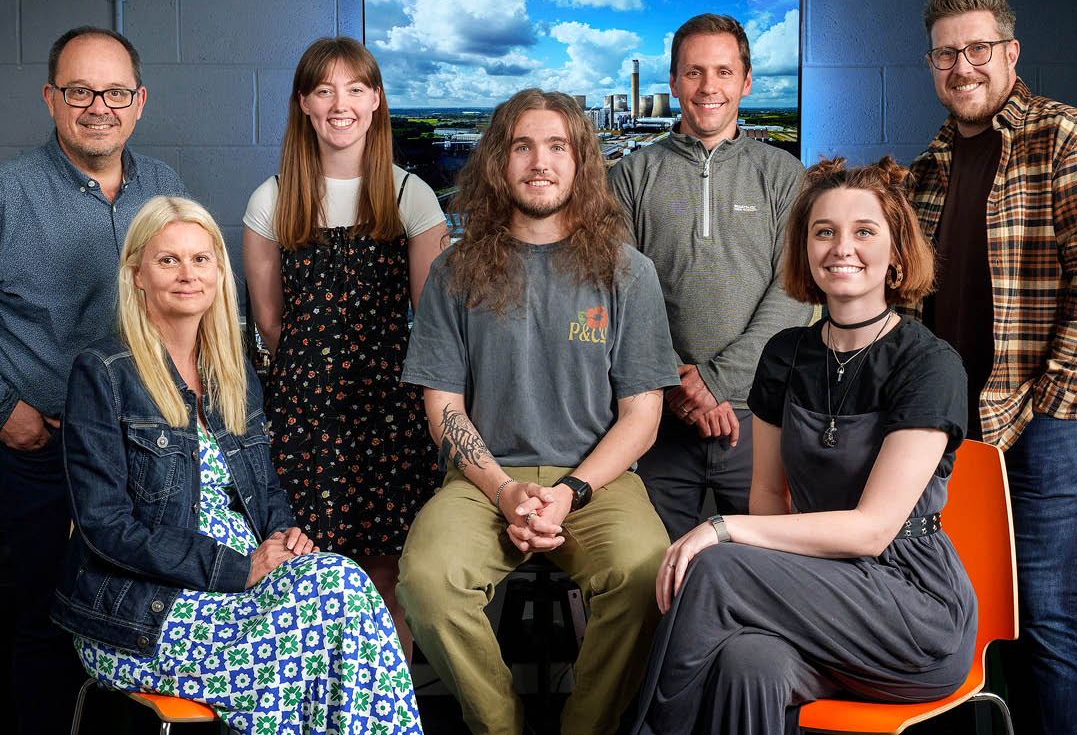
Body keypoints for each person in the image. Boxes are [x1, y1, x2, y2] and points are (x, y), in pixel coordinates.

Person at [51, 196, 422, 735]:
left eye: (201, 259)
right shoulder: (103, 372)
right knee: (311, 639)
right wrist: (239, 568)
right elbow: (106, 527)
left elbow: (265, 488)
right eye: (168, 260)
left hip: (249, 583)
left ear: (219, 270)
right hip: (150, 611)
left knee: (344, 583)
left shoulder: (232, 371)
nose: (187, 275)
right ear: (136, 275)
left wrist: (284, 538)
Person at [632, 157, 977, 735]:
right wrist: (760, 554)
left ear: (896, 252)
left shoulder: (930, 364)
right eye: (825, 232)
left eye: (864, 231)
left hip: (911, 607)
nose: (843, 247)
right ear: (805, 249)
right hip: (814, 591)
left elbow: (870, 531)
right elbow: (767, 494)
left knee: (717, 568)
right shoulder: (785, 355)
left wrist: (722, 528)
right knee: (749, 663)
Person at [396, 88, 678, 735]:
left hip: (598, 480)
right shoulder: (454, 270)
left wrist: (572, 490)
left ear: (580, 162)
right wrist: (502, 490)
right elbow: (443, 408)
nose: (539, 161)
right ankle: (500, 723)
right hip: (483, 479)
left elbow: (641, 414)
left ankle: (588, 725)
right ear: (499, 161)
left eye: (557, 146)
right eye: (522, 145)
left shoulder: (627, 272)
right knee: (427, 580)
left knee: (644, 573)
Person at [0, 25, 186, 733]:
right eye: (80, 90)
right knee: (52, 622)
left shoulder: (165, 187)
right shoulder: (11, 193)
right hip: (41, 450)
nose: (97, 105)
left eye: (114, 91)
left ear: (138, 102)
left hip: (147, 456)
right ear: (52, 99)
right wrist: (3, 406)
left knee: (140, 621)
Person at [907, 0, 1077, 734]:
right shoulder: (929, 167)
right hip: (947, 432)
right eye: (946, 53)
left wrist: (1048, 398)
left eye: (977, 49)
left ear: (1009, 53)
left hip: (1041, 425)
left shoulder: (1059, 137)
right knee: (950, 612)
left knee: (1042, 619)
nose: (962, 66)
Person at [243, 37, 445, 660]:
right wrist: (316, 380)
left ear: (376, 101)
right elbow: (271, 324)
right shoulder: (271, 199)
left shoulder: (409, 195)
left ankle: (387, 714)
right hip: (305, 417)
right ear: (303, 102)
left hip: (390, 416)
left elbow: (432, 323)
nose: (341, 104)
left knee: (388, 576)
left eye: (356, 89)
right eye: (325, 90)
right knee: (308, 575)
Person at [608, 13, 812, 542]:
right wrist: (677, 385)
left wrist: (715, 383)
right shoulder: (629, 176)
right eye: (694, 72)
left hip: (760, 418)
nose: (708, 87)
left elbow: (794, 292)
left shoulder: (784, 175)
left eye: (723, 71)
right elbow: (614, 292)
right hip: (654, 419)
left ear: (745, 81)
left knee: (766, 576)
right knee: (650, 579)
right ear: (673, 83)